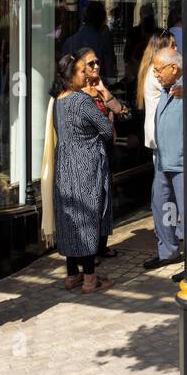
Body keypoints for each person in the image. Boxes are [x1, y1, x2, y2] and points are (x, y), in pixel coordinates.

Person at [44, 53, 116, 292]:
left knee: (69, 219)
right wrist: (109, 111)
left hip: (64, 165)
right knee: (87, 218)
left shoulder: (58, 101)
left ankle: (72, 275)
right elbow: (106, 131)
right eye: (81, 71)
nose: (86, 75)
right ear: (70, 76)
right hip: (86, 164)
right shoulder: (82, 101)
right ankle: (89, 279)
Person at [81, 47, 126, 258]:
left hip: (106, 151)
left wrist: (104, 91)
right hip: (88, 153)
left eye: (97, 62)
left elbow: (122, 112)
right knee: (91, 201)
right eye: (91, 63)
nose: (96, 66)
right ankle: (88, 250)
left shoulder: (100, 91)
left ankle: (101, 245)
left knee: (105, 199)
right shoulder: (77, 94)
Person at [145, 48, 186, 270]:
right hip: (163, 162)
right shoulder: (166, 88)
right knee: (163, 208)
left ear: (173, 68)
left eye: (158, 69)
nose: (156, 74)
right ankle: (168, 251)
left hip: (181, 163)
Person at [63, 1, 117, 81]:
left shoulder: (70, 41)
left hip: (74, 85)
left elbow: (65, 69)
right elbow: (109, 67)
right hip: (94, 85)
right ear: (101, 19)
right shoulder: (102, 39)